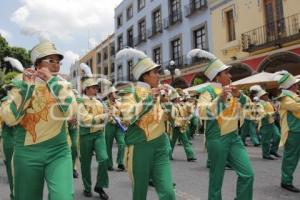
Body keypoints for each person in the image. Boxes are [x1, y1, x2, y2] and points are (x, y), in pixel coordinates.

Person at [0, 40, 77, 200]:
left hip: (59, 150)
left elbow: (71, 113)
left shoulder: (62, 84)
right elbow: (10, 118)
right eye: (51, 60)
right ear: (37, 64)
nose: (56, 65)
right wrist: (26, 89)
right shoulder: (18, 83)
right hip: (27, 152)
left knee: (63, 197)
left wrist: (52, 82)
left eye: (58, 61)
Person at [189, 49, 254, 200]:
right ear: (217, 77)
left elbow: (249, 108)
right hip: (216, 138)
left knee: (248, 174)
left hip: (234, 138)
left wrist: (240, 95)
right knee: (216, 180)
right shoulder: (208, 92)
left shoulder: (232, 90)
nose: (230, 76)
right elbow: (203, 112)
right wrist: (220, 99)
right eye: (226, 73)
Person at [116, 48, 176, 200]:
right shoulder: (130, 93)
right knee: (140, 193)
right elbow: (128, 116)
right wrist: (149, 98)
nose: (158, 75)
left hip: (161, 144)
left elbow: (173, 118)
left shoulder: (160, 92)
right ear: (145, 75)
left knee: (168, 192)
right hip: (140, 145)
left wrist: (166, 102)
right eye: (155, 72)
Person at [77, 76, 109, 199]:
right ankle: (87, 187)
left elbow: (105, 118)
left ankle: (100, 186)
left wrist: (110, 115)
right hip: (86, 135)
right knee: (85, 163)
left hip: (99, 134)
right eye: (94, 87)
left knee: (104, 159)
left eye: (97, 87)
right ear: (86, 89)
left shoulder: (98, 102)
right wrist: (103, 116)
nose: (96, 89)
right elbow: (85, 120)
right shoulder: (80, 102)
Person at [274, 71, 300, 193]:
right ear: (292, 86)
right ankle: (286, 181)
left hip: (297, 131)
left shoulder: (293, 96)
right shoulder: (284, 98)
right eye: (296, 84)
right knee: (291, 158)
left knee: (292, 157)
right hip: (293, 132)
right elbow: (297, 107)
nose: (297, 86)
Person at [250, 85, 281, 160]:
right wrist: (273, 113)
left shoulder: (267, 102)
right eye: (265, 95)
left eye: (266, 94)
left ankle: (273, 150)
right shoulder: (258, 104)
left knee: (278, 136)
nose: (267, 95)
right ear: (261, 96)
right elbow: (262, 114)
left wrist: (275, 110)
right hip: (265, 123)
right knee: (266, 140)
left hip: (272, 122)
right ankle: (266, 154)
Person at [104, 86, 126, 171]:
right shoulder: (105, 103)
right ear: (110, 94)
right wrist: (112, 120)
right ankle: (109, 164)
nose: (117, 94)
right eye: (115, 92)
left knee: (122, 143)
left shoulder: (119, 103)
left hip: (119, 126)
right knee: (108, 145)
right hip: (109, 125)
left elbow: (122, 114)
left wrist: (123, 121)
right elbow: (105, 115)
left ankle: (120, 162)